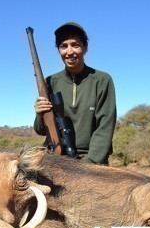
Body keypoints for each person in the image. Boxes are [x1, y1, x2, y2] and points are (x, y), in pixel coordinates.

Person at [33, 22, 116, 164]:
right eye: (63, 46)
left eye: (75, 45)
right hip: (56, 158)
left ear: (85, 48)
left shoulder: (102, 80)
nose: (69, 52)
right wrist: (39, 114)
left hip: (91, 160)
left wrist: (88, 165)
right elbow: (40, 130)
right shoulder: (50, 82)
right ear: (58, 50)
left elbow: (105, 127)